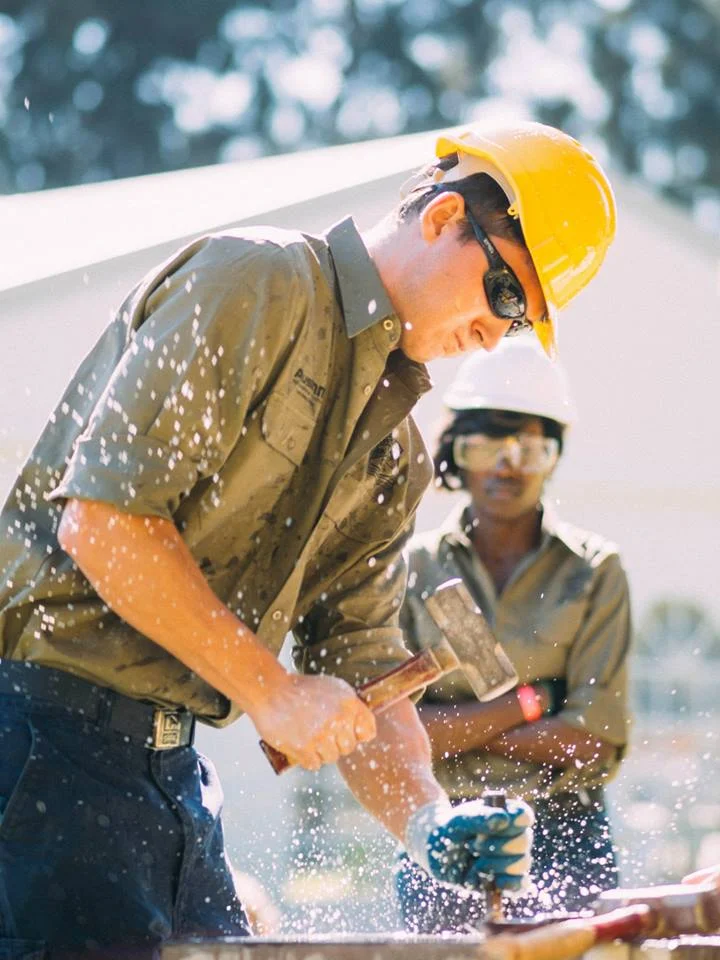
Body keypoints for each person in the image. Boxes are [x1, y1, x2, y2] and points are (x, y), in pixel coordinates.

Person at [0, 121, 616, 957]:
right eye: (507, 295)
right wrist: (271, 690)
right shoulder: (256, 280)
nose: (495, 331)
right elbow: (105, 524)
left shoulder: (393, 451)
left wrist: (430, 820)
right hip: (40, 744)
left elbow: (364, 666)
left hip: (170, 775)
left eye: (520, 322)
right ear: (442, 219)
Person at [396, 337, 632, 933]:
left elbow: (593, 746)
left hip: (566, 833)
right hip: (445, 828)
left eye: (530, 446)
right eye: (488, 444)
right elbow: (398, 737)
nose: (508, 464)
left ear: (554, 455)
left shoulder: (595, 570)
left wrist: (461, 731)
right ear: (457, 451)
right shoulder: (411, 570)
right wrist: (532, 703)